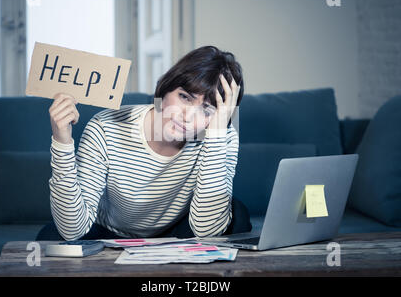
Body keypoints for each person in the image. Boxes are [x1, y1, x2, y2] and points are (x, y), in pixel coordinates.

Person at [36, 46, 252, 241]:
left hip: (176, 231)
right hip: (106, 230)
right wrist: (62, 141)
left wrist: (216, 134)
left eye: (206, 109)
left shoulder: (220, 133)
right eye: (185, 97)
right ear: (165, 89)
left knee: (236, 213)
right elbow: (73, 230)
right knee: (52, 236)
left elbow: (208, 232)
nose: (187, 117)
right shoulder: (104, 127)